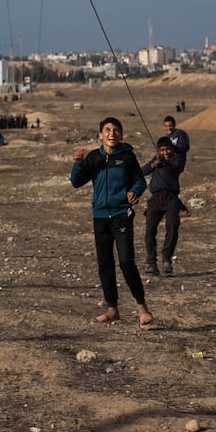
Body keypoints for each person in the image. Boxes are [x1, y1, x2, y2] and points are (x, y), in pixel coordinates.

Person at [70, 117, 154, 326]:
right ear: (100, 135)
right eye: (107, 130)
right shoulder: (94, 157)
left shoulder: (127, 157)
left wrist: (135, 191)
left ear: (121, 135)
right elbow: (76, 182)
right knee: (105, 263)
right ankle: (112, 310)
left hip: (121, 214)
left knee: (126, 261)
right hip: (100, 216)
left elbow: (139, 180)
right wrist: (78, 164)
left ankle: (142, 308)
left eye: (116, 130)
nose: (112, 133)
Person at [140, 138, 188, 276]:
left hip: (171, 199)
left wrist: (164, 162)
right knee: (150, 231)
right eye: (162, 150)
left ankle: (167, 258)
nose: (165, 152)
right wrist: (155, 163)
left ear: (172, 149)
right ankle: (151, 262)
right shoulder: (156, 160)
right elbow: (143, 171)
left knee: (172, 226)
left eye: (167, 149)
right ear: (158, 151)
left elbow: (176, 168)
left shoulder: (176, 160)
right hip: (155, 199)